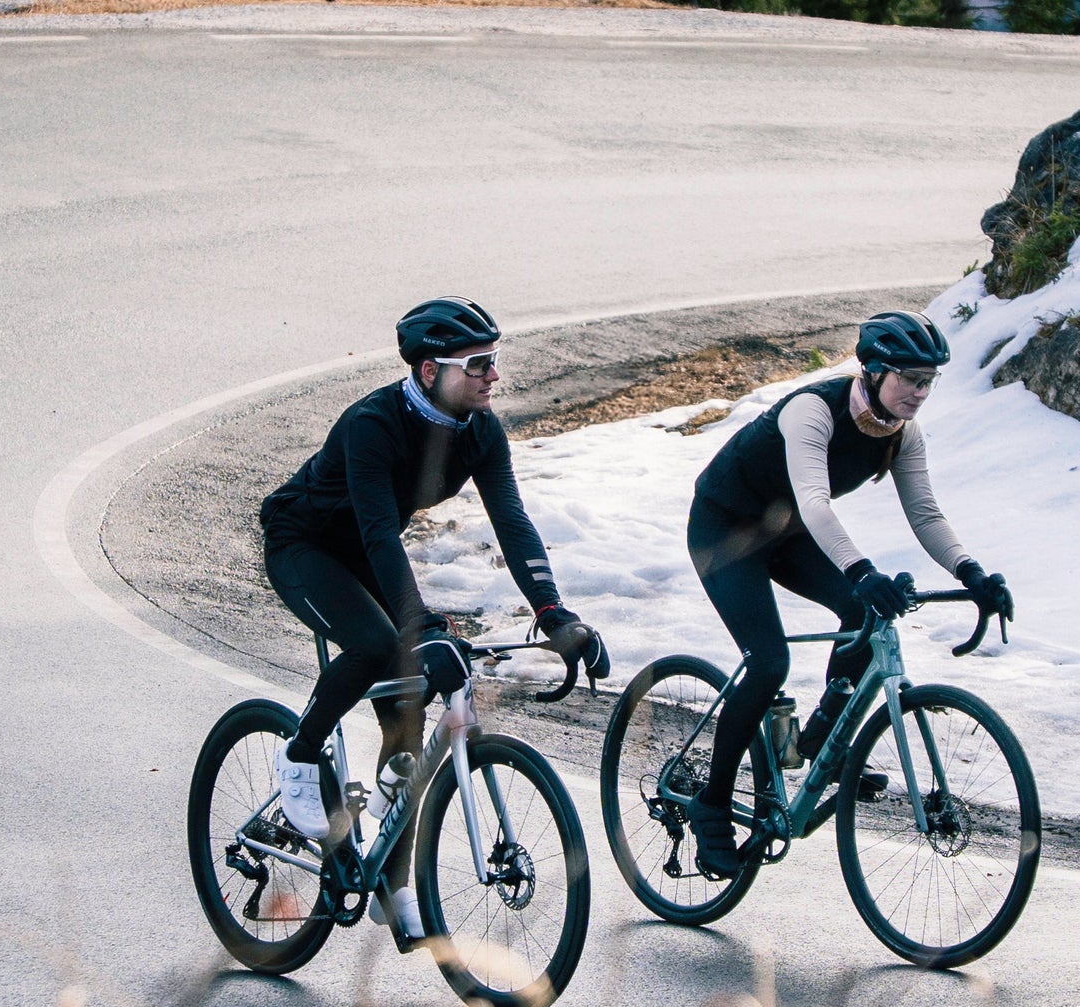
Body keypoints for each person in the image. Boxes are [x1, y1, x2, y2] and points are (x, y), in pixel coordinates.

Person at [259, 296, 608, 942]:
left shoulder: (481, 432)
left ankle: (391, 889)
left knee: (409, 724)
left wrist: (554, 613)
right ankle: (300, 755)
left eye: (494, 361)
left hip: (364, 554)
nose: (492, 376)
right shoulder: (373, 425)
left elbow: (513, 522)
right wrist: (417, 628)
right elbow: (378, 535)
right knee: (376, 645)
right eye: (477, 364)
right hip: (304, 547)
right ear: (429, 371)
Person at [685, 309, 1014, 879]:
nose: (920, 392)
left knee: (861, 613)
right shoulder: (814, 411)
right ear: (876, 369)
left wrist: (973, 574)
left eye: (929, 381)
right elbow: (816, 501)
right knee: (768, 663)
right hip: (724, 530)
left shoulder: (901, 433)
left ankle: (821, 744)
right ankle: (712, 806)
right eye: (910, 378)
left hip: (787, 534)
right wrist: (862, 570)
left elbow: (926, 512)